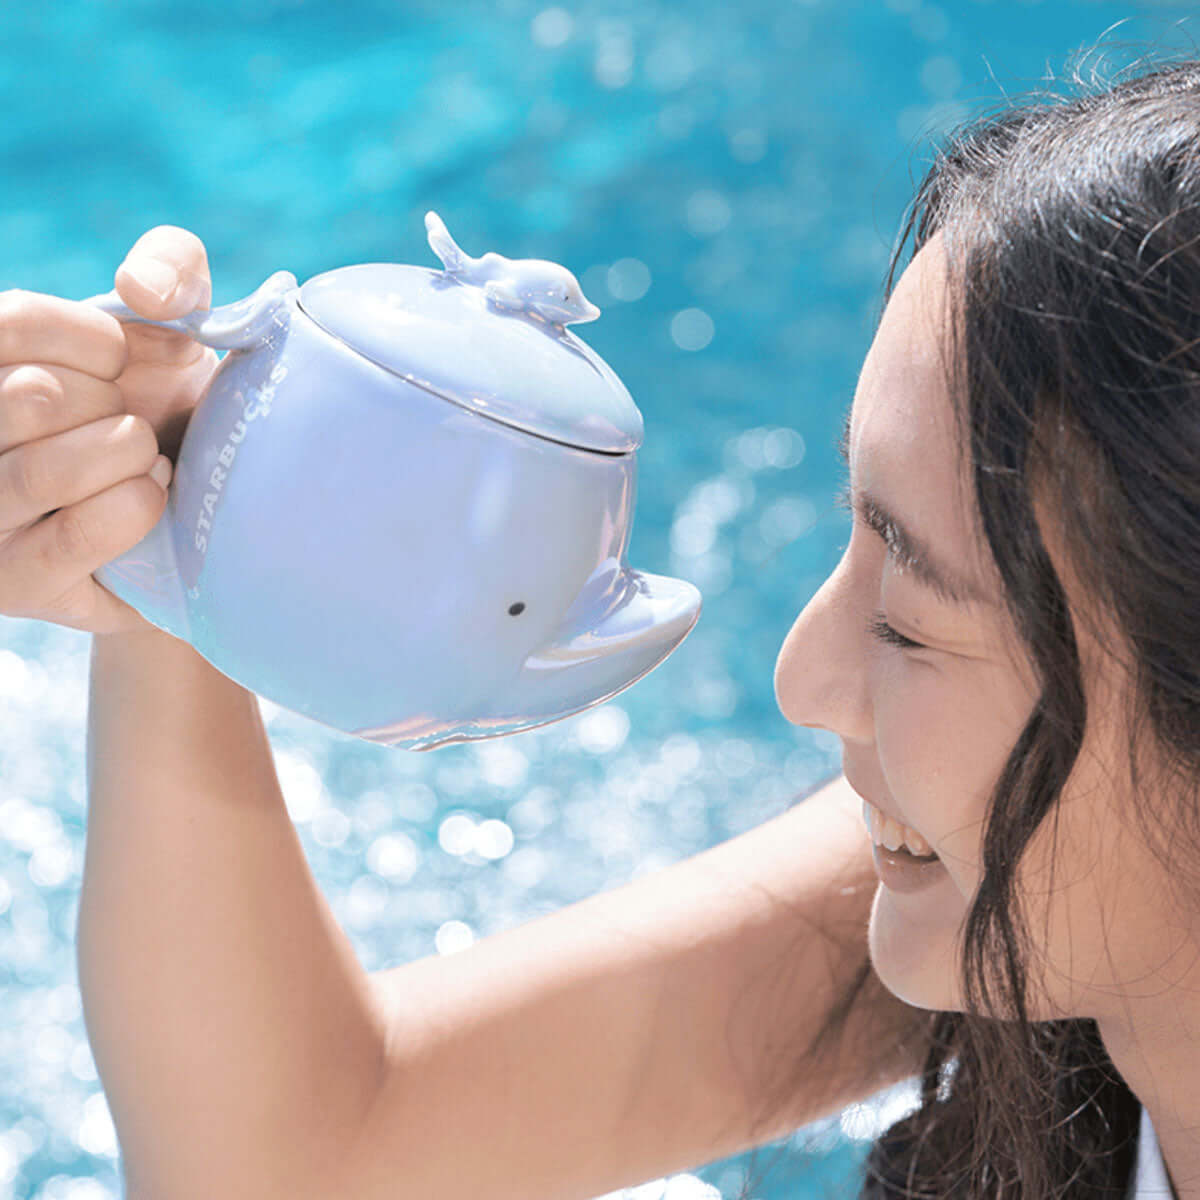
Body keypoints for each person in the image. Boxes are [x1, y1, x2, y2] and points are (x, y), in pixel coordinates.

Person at [1, 50, 1196, 1199]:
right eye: (860, 533)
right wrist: (174, 561)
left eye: (915, 622)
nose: (802, 678)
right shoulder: (1031, 887)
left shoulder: (1021, 875)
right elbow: (294, 1159)